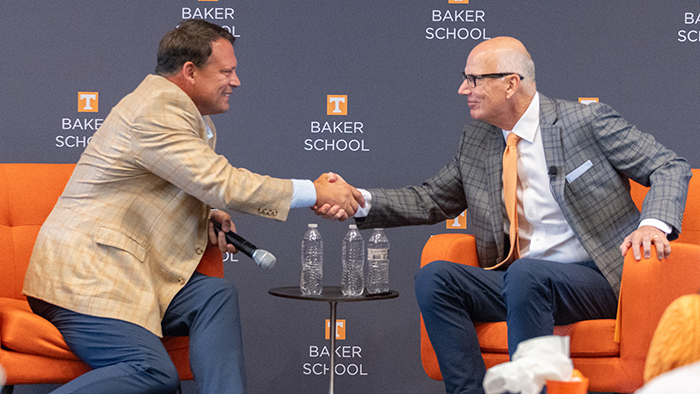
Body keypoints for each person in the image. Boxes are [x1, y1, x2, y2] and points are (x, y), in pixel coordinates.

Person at [315, 36, 692, 394]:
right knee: (437, 278)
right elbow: (432, 198)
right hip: (521, 284)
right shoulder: (477, 140)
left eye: (474, 79)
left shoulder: (585, 123)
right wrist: (358, 199)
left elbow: (669, 165)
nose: (464, 90)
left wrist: (652, 224)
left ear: (511, 84)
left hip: (596, 281)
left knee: (528, 274)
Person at [23, 19, 363, 394]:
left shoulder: (188, 115)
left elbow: (172, 183)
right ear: (190, 72)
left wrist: (206, 215)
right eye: (227, 72)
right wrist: (315, 192)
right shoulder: (156, 108)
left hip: (140, 276)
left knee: (214, 295)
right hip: (87, 280)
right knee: (153, 373)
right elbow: (223, 183)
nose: (236, 82)